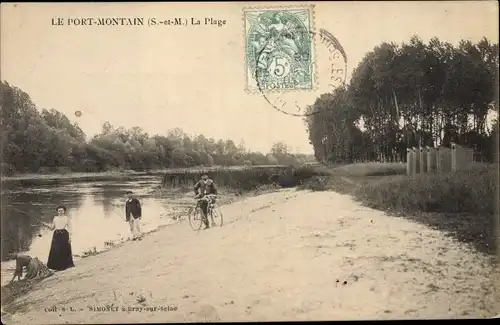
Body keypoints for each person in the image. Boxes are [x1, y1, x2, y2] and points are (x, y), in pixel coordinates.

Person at [44, 206, 75, 271]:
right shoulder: (55, 218)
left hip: (64, 235)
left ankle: (64, 266)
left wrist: (70, 238)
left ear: (64, 211)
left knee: (63, 249)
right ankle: (55, 266)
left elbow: (70, 228)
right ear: (57, 212)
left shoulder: (66, 218)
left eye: (62, 210)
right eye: (59, 211)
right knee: (55, 250)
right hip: (56, 235)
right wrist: (46, 225)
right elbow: (52, 227)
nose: (60, 212)